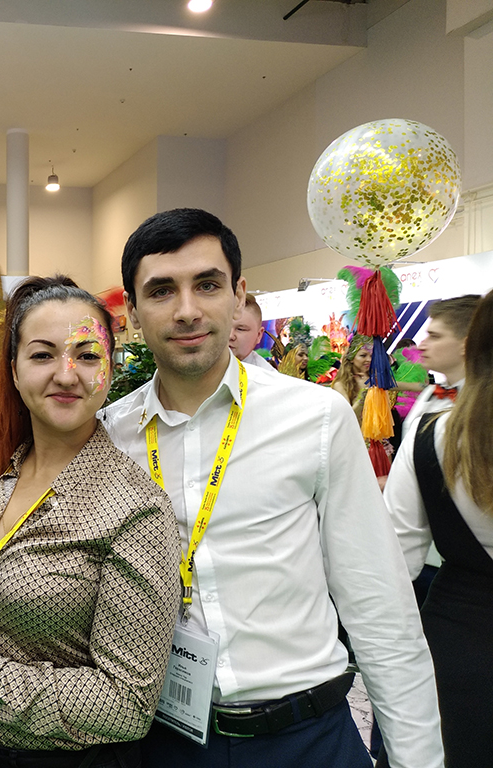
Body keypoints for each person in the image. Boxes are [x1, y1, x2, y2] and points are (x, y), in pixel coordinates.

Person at [100, 208, 442, 768]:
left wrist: (416, 760)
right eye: (161, 291)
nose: (187, 310)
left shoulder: (315, 417)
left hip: (307, 737)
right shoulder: (111, 437)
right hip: (164, 743)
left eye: (207, 285)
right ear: (133, 314)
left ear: (238, 295)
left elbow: (380, 609)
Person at [0, 276, 182, 768]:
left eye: (87, 355)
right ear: (14, 369)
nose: (66, 375)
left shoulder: (135, 509)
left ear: (110, 368)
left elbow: (128, 705)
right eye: (43, 355)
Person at [383, 289, 493, 767]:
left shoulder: (432, 434)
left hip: (462, 637)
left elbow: (395, 558)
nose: (423, 344)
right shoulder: (433, 410)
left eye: (435, 334)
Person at [400, 294, 480, 438]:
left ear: (465, 344)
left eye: (435, 336)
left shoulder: (483, 405)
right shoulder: (432, 393)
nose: (421, 346)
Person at [227, 293, 273, 370]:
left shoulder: (267, 375)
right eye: (226, 327)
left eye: (240, 329)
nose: (230, 336)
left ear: (259, 335)